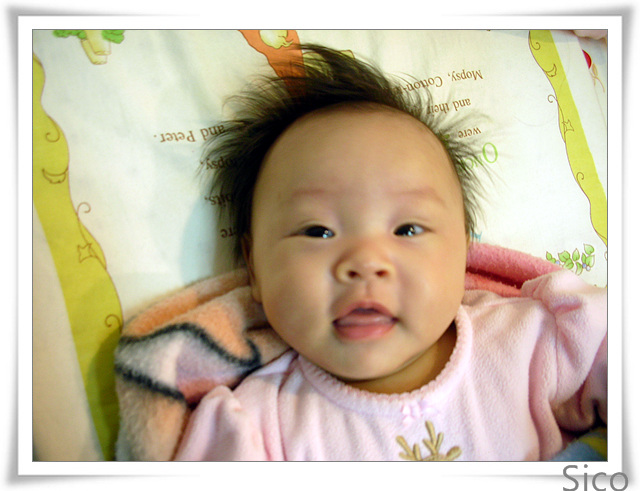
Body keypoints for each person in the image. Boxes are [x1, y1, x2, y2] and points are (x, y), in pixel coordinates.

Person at [173, 45, 606, 461]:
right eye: (318, 231)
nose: (366, 262)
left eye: (407, 229)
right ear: (255, 268)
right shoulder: (254, 429)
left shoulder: (537, 343)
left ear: (463, 251)